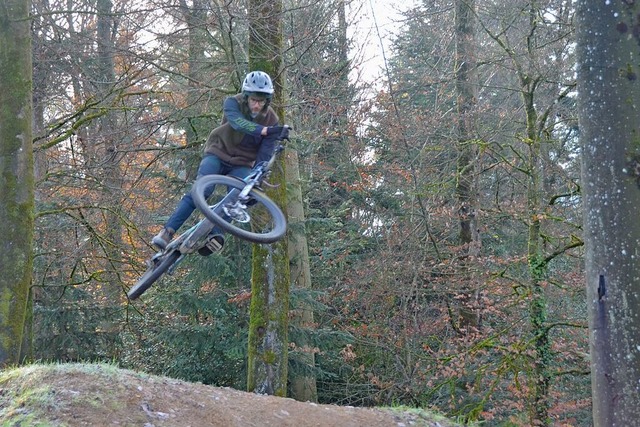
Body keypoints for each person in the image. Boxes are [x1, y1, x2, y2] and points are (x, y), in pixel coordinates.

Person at [152, 70, 288, 255]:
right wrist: (264, 130)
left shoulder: (271, 119)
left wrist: (258, 174)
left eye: (261, 101)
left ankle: (216, 235)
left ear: (267, 101)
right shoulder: (233, 103)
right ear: (247, 97)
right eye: (253, 100)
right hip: (217, 152)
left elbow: (265, 152)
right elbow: (238, 123)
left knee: (238, 195)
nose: (256, 105)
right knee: (203, 189)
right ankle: (167, 231)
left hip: (242, 163)